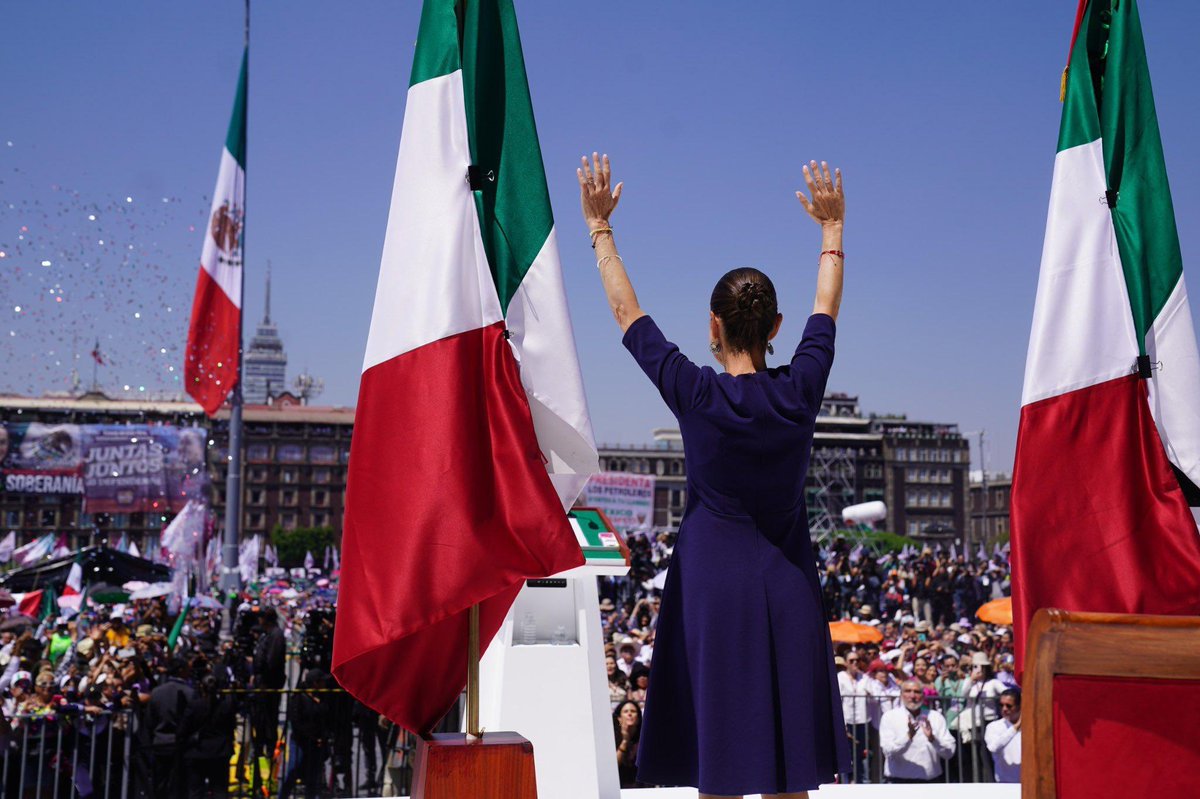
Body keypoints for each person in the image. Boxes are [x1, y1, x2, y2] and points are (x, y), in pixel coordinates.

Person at [580, 152, 850, 798]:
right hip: (785, 581)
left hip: (710, 585)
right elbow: (826, 307)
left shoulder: (696, 394)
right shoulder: (802, 387)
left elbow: (627, 315)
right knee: (790, 767)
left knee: (718, 761)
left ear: (713, 325)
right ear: (776, 329)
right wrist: (831, 229)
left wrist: (600, 227)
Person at [879, 680, 956, 783]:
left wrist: (933, 739)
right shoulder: (890, 717)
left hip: (930, 783)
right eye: (908, 691)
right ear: (901, 695)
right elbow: (888, 751)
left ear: (923, 696)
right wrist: (908, 737)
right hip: (898, 782)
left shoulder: (935, 717)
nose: (912, 695)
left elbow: (949, 753)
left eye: (917, 692)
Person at [984, 688, 1022, 783]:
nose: (1004, 709)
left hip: (1027, 784)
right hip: (1004, 784)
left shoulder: (1031, 727)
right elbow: (993, 747)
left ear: (1019, 706)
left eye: (1009, 706)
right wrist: (1015, 728)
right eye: (1001, 705)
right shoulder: (993, 727)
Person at [613, 700, 643, 789]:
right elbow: (612, 768)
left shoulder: (643, 738)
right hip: (619, 789)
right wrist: (625, 741)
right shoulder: (612, 738)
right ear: (619, 719)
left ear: (638, 718)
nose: (629, 714)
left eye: (633, 711)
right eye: (626, 711)